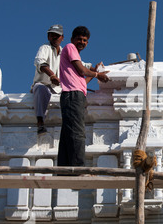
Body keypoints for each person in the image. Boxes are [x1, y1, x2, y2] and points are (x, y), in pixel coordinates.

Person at [57, 26, 109, 167]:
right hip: (72, 96)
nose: (82, 42)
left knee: (68, 133)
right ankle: (78, 167)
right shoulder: (70, 48)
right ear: (72, 39)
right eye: (79, 39)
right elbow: (82, 69)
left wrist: (95, 73)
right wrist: (98, 75)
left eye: (85, 40)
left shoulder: (74, 55)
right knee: (77, 131)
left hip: (74, 95)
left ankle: (63, 168)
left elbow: (82, 82)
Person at [31, 24, 64, 135]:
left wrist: (95, 69)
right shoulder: (45, 48)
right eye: (51, 35)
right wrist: (52, 75)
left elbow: (79, 64)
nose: (54, 37)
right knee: (40, 89)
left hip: (58, 89)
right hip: (44, 84)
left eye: (57, 35)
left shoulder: (64, 53)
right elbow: (41, 63)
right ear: (48, 37)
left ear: (62, 38)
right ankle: (40, 122)